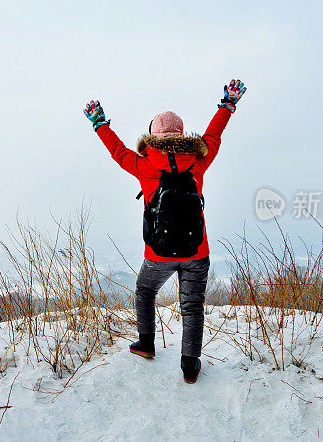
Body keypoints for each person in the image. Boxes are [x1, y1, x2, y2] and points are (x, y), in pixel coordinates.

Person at [83, 79, 246, 383]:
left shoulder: (145, 165)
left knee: (145, 291)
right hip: (197, 251)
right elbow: (214, 134)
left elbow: (118, 151)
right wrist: (227, 105)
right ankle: (189, 366)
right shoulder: (199, 159)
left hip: (158, 253)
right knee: (192, 306)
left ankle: (146, 344)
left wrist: (99, 124)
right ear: (182, 135)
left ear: (153, 136)